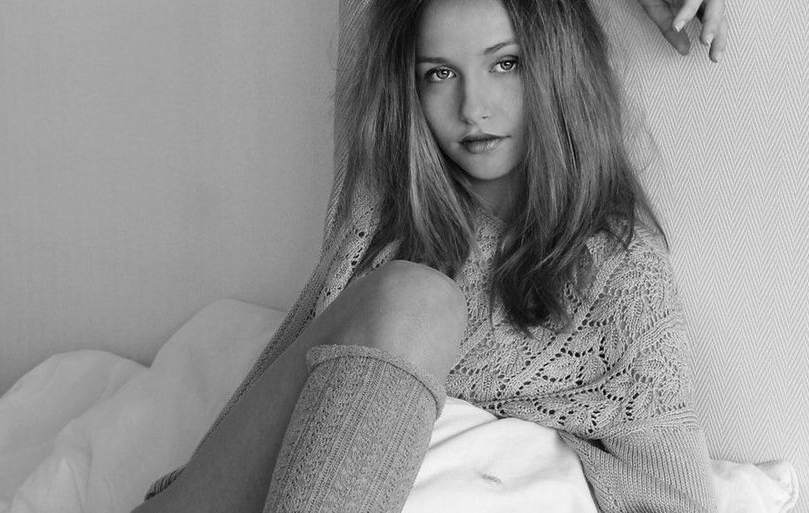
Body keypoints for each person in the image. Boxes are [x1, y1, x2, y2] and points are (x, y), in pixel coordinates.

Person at [134, 0, 728, 511]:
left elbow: (678, 497)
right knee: (416, 297)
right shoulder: (382, 198)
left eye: (506, 63)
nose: (472, 107)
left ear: (560, 62)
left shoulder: (623, 275)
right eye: (439, 74)